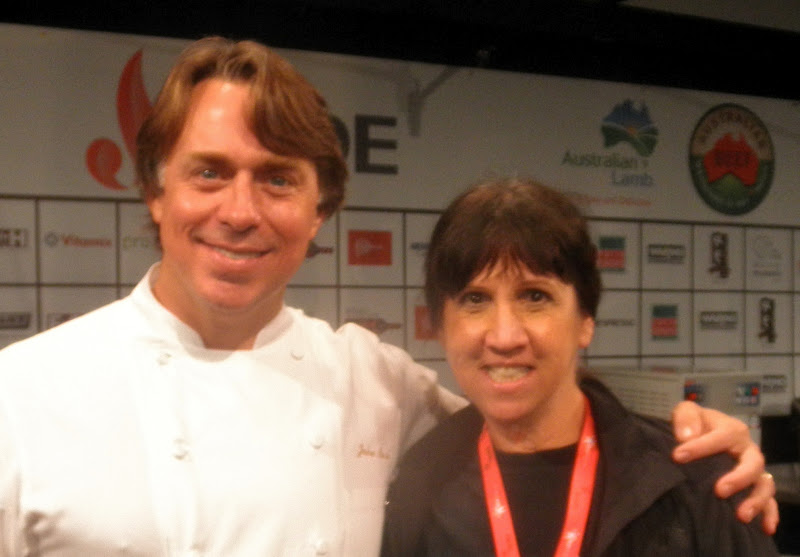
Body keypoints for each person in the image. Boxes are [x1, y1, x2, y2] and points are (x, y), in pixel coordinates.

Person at [0, 38, 776, 557]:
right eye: (209, 172)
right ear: (154, 189)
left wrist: (698, 443)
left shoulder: (371, 379)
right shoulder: (21, 395)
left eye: (278, 179)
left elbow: (533, 413)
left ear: (320, 211)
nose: (239, 211)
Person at [380, 177, 780, 556]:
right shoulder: (416, 492)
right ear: (440, 328)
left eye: (534, 297)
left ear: (585, 320)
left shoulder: (701, 484)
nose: (504, 337)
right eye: (475, 300)